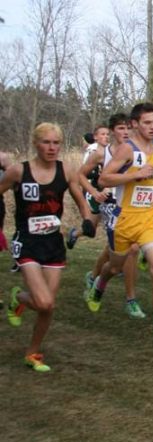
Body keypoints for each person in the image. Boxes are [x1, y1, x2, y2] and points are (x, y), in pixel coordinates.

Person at [1, 123, 95, 372]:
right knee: (43, 303)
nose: (52, 148)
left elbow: (79, 198)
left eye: (56, 143)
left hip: (53, 243)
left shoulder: (66, 171)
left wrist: (86, 220)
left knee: (48, 304)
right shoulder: (17, 172)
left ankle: (32, 353)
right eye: (46, 142)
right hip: (27, 242)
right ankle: (19, 298)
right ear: (35, 143)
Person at [84, 102, 153, 345]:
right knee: (114, 267)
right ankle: (100, 283)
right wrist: (134, 174)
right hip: (123, 219)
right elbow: (104, 178)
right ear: (135, 124)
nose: (152, 127)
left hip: (147, 217)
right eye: (147, 122)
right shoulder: (127, 149)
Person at [79, 113, 145, 318]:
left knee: (113, 252)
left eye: (128, 128)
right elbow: (80, 175)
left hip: (131, 206)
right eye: (120, 128)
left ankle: (93, 277)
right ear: (113, 131)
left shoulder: (136, 152)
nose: (125, 132)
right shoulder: (101, 154)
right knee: (132, 249)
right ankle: (131, 300)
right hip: (111, 207)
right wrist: (94, 192)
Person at [67, 124, 110, 248]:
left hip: (107, 193)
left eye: (108, 134)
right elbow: (82, 173)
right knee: (91, 230)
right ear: (95, 137)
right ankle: (74, 234)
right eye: (103, 134)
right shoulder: (93, 152)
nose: (106, 137)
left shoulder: (111, 151)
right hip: (93, 192)